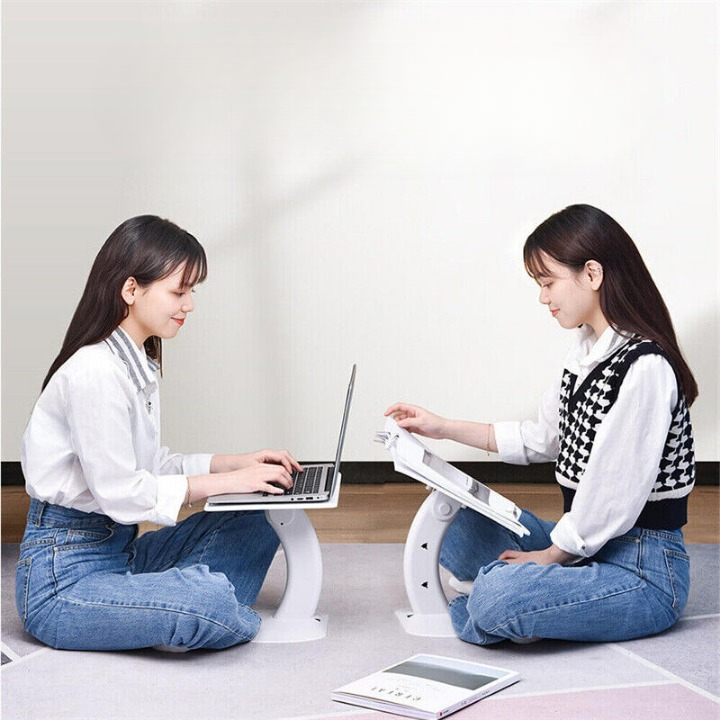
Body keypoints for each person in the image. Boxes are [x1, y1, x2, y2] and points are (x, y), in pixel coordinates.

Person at [386, 203, 697, 645]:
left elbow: (610, 497)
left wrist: (549, 556)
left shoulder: (645, 368)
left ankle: (493, 601)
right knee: (455, 524)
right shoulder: (586, 350)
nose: (543, 297)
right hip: (585, 547)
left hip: (642, 570)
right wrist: (441, 427)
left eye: (548, 282)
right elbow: (542, 438)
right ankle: (530, 596)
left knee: (496, 598)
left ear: (592, 273)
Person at [16, 215, 303, 652]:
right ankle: (193, 605)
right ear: (131, 290)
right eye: (179, 291)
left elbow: (154, 465)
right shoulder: (94, 372)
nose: (188, 305)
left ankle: (167, 605)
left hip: (120, 556)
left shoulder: (137, 364)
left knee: (262, 513)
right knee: (205, 600)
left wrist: (239, 464)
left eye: (192, 292)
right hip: (62, 581)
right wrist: (229, 482)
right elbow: (121, 492)